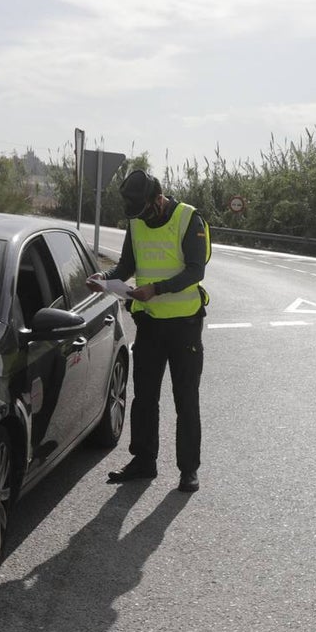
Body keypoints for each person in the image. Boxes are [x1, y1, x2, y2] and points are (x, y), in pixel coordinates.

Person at [86, 169, 211, 493]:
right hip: (150, 323)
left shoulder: (188, 219)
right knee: (144, 399)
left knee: (185, 399)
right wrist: (104, 278)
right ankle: (143, 462)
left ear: (158, 198)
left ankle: (188, 471)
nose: (142, 218)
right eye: (136, 214)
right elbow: (126, 266)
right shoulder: (137, 220)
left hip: (184, 325)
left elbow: (196, 270)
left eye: (145, 210)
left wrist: (157, 288)